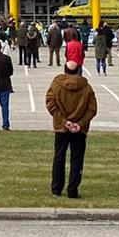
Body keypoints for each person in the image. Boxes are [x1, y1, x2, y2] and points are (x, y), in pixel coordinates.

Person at [45, 59, 98, 199]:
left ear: (65, 70)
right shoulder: (86, 88)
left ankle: (56, 188)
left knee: (59, 157)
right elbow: (92, 109)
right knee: (77, 159)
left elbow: (50, 103)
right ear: (78, 70)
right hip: (79, 129)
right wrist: (80, 123)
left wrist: (64, 122)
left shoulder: (56, 85)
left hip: (61, 128)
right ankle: (72, 190)